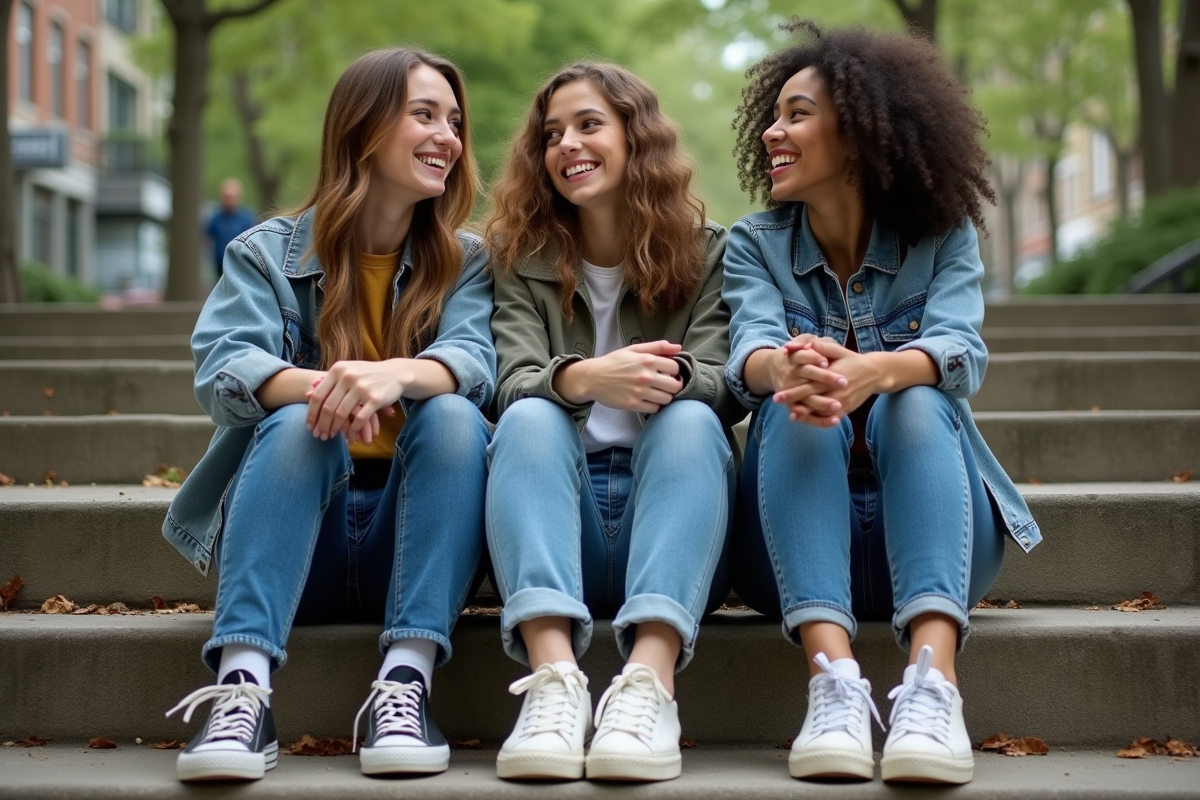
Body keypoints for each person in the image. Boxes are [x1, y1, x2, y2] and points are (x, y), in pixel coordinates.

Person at [160, 48, 495, 783]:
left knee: (456, 417)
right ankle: (242, 691)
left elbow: (477, 359)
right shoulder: (266, 254)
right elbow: (224, 370)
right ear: (364, 127)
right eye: (425, 115)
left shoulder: (464, 261)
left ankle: (405, 686)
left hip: (409, 546)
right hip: (293, 540)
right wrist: (328, 388)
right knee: (294, 418)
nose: (449, 136)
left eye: (455, 121)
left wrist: (392, 376)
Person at [722, 20, 1041, 786]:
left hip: (938, 541)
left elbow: (961, 351)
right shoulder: (754, 244)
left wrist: (879, 370)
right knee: (796, 404)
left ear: (861, 137)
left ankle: (934, 689)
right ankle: (832, 688)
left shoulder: (943, 237)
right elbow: (744, 358)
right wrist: (789, 369)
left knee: (918, 399)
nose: (774, 130)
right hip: (789, 553)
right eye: (775, 114)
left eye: (797, 114)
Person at [484, 62, 744, 782]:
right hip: (549, 517)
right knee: (531, 418)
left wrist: (666, 378)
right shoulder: (517, 261)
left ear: (636, 137)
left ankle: (649, 686)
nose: (568, 144)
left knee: (692, 421)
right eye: (552, 134)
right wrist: (587, 377)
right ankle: (554, 686)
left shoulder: (707, 252)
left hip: (671, 528)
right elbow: (507, 385)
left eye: (589, 125)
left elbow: (729, 384)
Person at [205, 178, 257, 279]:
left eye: (231, 197)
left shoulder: (247, 218)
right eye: (226, 196)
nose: (229, 200)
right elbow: (208, 239)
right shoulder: (215, 218)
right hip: (220, 264)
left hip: (241, 263)